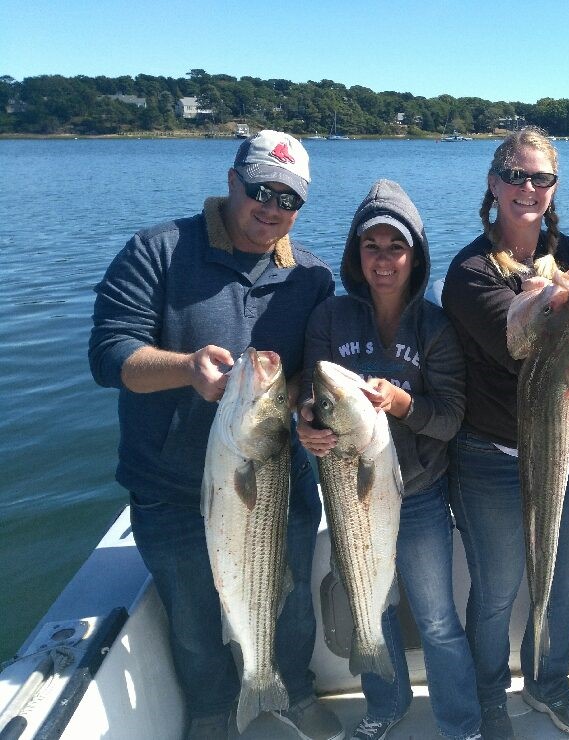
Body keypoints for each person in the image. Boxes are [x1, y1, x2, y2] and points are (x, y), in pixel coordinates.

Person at [89, 130, 343, 740]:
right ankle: (211, 715)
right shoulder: (158, 250)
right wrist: (182, 368)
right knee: (196, 623)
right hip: (170, 490)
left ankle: (291, 692)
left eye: (290, 199)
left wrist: (310, 409)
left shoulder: (311, 277)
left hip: (275, 482)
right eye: (261, 190)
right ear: (232, 180)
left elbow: (311, 371)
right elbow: (107, 354)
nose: (274, 208)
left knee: (291, 606)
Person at [296, 179, 481, 740]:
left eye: (395, 247)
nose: (383, 260)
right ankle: (386, 703)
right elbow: (311, 394)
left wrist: (402, 404)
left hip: (419, 494)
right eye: (371, 246)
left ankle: (461, 722)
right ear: (356, 254)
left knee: (438, 620)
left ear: (415, 256)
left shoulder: (435, 327)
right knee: (369, 610)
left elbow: (449, 417)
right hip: (349, 495)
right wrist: (305, 423)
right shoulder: (330, 318)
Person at [441, 127, 569, 740]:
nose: (526, 188)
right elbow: (521, 349)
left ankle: (548, 684)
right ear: (492, 182)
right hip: (489, 455)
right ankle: (489, 696)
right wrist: (564, 307)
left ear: (554, 187)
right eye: (514, 175)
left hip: (566, 446)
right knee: (497, 590)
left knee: (564, 581)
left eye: (540, 178)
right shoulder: (469, 271)